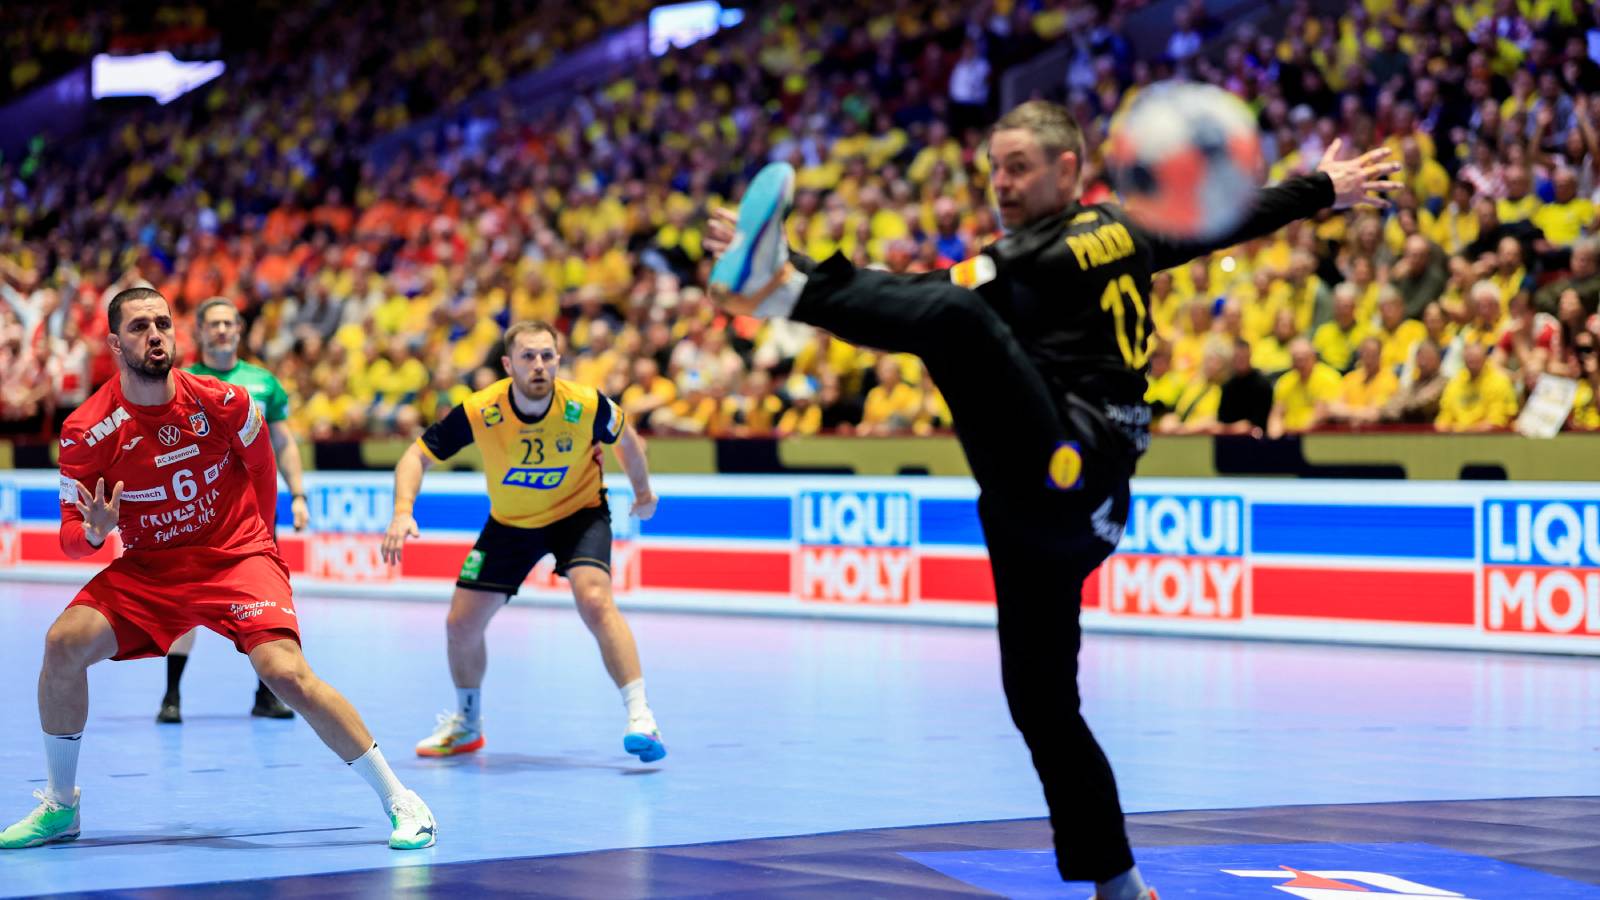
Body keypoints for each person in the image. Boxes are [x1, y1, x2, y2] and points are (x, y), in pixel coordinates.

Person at [703, 101, 1398, 899]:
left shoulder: (1024, 258)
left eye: (1018, 166)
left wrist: (791, 280)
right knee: (1040, 702)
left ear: (1068, 168)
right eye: (994, 168)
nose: (1001, 182)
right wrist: (1321, 188)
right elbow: (1226, 220)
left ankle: (773, 292)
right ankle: (1121, 883)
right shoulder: (1131, 231)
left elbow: (928, 299)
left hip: (1070, 467)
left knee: (953, 315)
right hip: (1060, 516)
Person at [1, 287, 435, 850]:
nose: (155, 335)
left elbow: (262, 466)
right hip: (152, 568)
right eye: (139, 327)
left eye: (162, 323)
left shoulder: (223, 400)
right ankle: (61, 808)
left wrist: (259, 543)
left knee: (285, 673)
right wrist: (93, 531)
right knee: (62, 643)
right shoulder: (87, 429)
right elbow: (70, 539)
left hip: (236, 556)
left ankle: (404, 801)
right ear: (113, 342)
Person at [380, 320, 666, 763]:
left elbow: (628, 441)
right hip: (510, 524)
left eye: (547, 356)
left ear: (558, 360)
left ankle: (641, 717)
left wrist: (643, 492)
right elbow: (416, 455)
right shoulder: (481, 409)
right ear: (508, 364)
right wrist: (402, 511)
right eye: (529, 357)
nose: (539, 365)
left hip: (579, 513)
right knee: (460, 625)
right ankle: (467, 724)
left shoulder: (586, 404)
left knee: (594, 600)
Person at [158, 297, 311, 723]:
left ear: (239, 330)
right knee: (186, 602)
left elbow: (283, 442)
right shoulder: (180, 381)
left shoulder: (263, 382)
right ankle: (171, 696)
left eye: (229, 323)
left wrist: (297, 493)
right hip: (200, 515)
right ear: (201, 332)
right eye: (214, 324)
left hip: (255, 517)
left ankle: (266, 695)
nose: (222, 330)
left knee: (265, 602)